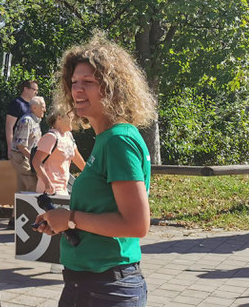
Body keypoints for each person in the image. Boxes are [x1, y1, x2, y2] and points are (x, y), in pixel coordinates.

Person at [33, 35, 154, 306]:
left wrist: (71, 219)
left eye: (88, 83)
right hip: (91, 283)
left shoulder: (117, 140)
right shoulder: (107, 139)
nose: (77, 90)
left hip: (106, 287)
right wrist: (60, 221)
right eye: (74, 82)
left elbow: (136, 225)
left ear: (113, 89)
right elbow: (102, 212)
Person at [32, 110, 85, 196]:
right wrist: (47, 183)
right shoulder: (51, 137)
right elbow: (36, 161)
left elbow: (77, 158)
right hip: (50, 191)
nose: (73, 120)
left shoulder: (69, 136)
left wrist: (92, 174)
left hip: (63, 189)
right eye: (70, 118)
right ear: (59, 118)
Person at [10, 97, 46, 194]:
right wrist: (34, 160)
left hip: (26, 158)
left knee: (22, 189)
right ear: (34, 108)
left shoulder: (35, 121)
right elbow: (21, 146)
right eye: (42, 107)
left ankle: (19, 209)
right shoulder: (27, 121)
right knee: (32, 187)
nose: (45, 110)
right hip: (22, 158)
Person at [5, 80, 39, 153]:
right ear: (25, 89)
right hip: (18, 150)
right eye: (34, 90)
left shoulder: (32, 105)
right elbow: (9, 127)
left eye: (37, 90)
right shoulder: (16, 104)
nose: (36, 93)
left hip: (30, 149)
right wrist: (10, 148)